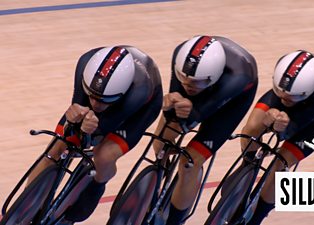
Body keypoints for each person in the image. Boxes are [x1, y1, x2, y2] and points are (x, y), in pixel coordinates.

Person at [29, 46, 163, 224]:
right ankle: (27, 208)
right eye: (91, 96)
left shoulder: (140, 90)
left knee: (103, 155)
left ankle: (97, 184)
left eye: (103, 101)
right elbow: (77, 109)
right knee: (58, 146)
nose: (96, 104)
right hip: (105, 92)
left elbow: (104, 127)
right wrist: (74, 121)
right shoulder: (85, 63)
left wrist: (91, 129)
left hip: (136, 111)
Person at [152, 35, 258, 225]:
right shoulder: (181, 56)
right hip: (203, 80)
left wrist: (190, 112)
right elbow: (174, 108)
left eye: (194, 83)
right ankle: (158, 179)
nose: (187, 85)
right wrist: (171, 106)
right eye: (183, 79)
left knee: (189, 162)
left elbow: (199, 113)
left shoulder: (239, 75)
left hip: (229, 101)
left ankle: (175, 221)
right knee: (161, 143)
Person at [239, 50, 314, 225]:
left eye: (290, 98)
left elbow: (291, 130)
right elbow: (255, 126)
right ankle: (246, 167)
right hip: (294, 87)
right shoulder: (286, 79)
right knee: (252, 128)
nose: (285, 100)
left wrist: (280, 127)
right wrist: (264, 123)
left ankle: (256, 218)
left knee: (282, 161)